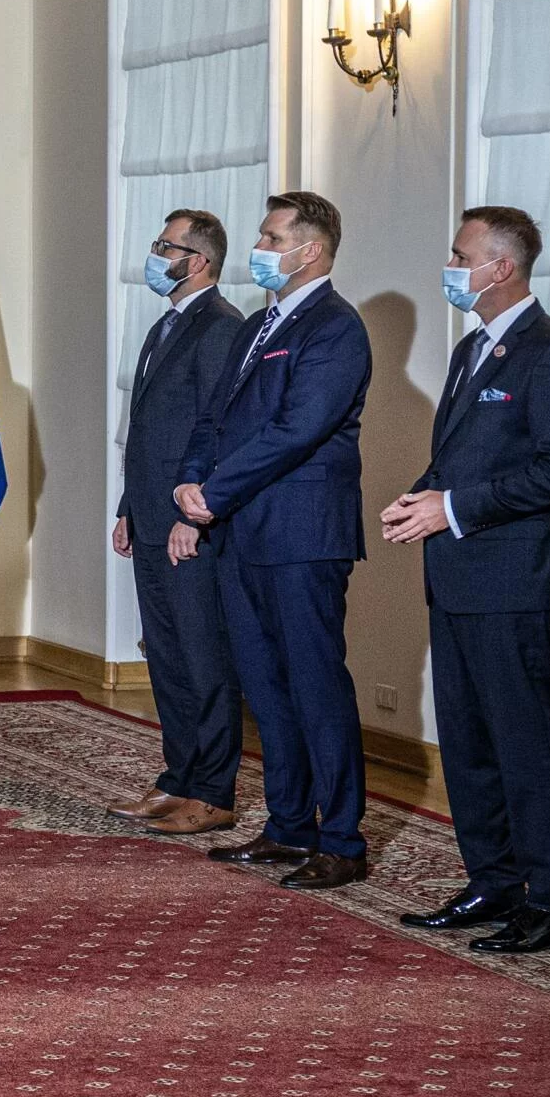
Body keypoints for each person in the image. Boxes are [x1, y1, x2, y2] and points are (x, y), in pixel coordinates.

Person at [380, 207, 550, 953]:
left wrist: (454, 508)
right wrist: (420, 496)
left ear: (501, 267)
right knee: (467, 744)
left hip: (512, 583)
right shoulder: (474, 348)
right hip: (458, 580)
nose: (452, 264)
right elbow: (462, 460)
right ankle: (492, 881)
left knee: (522, 748)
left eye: (460, 253)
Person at [173, 191, 372, 889]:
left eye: (270, 235)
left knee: (316, 686)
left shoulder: (336, 328)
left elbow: (296, 430)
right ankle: (289, 825)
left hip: (302, 535)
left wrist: (214, 494)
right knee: (267, 686)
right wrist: (188, 485)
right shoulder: (260, 324)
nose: (259, 246)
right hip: (243, 533)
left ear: (309, 250)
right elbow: (215, 419)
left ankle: (342, 837)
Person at [109, 210, 247, 835]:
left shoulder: (221, 327)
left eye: (167, 246)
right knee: (164, 655)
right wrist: (129, 509)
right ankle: (179, 777)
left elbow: (214, 432)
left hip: (190, 524)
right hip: (151, 517)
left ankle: (213, 791)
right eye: (156, 241)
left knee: (202, 656)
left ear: (200, 262)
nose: (155, 253)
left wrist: (195, 513)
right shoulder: (167, 325)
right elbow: (148, 433)